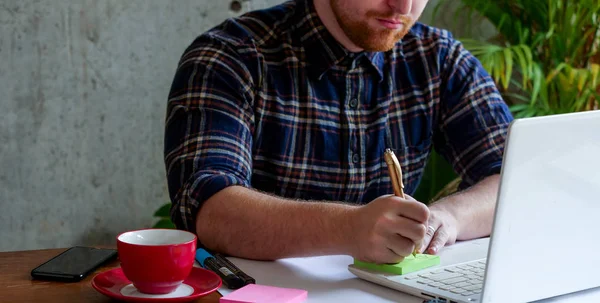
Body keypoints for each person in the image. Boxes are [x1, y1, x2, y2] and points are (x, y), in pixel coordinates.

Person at [163, 0, 513, 264]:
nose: (402, 7)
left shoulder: (438, 58)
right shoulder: (231, 56)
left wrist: (450, 217)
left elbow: (515, 177)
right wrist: (347, 229)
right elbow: (209, 208)